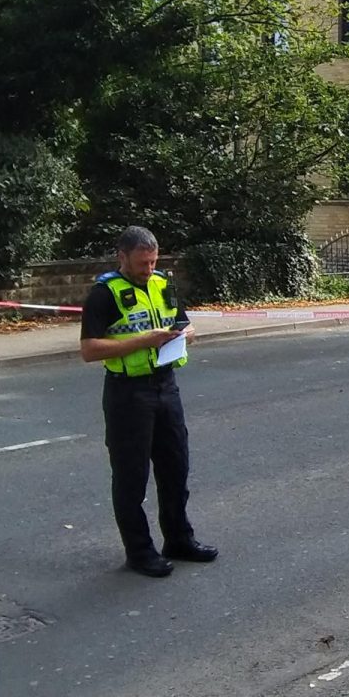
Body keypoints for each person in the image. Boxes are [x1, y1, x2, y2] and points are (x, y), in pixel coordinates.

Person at [78, 226, 218, 578]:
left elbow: (184, 324)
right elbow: (89, 349)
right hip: (128, 392)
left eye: (153, 261)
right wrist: (144, 341)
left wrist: (185, 333)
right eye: (142, 263)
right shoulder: (104, 293)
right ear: (121, 257)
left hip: (166, 386)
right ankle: (140, 552)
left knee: (175, 469)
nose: (148, 269)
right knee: (131, 476)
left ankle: (179, 539)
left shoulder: (162, 284)